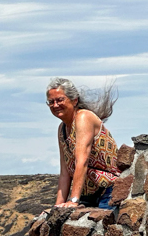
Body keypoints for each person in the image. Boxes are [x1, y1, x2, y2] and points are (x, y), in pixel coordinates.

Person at [48, 77, 120, 209]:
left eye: (60, 100)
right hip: (88, 194)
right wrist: (57, 206)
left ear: (74, 100)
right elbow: (65, 171)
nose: (55, 105)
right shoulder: (62, 129)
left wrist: (73, 200)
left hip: (109, 188)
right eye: (51, 102)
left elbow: (82, 161)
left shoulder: (83, 118)